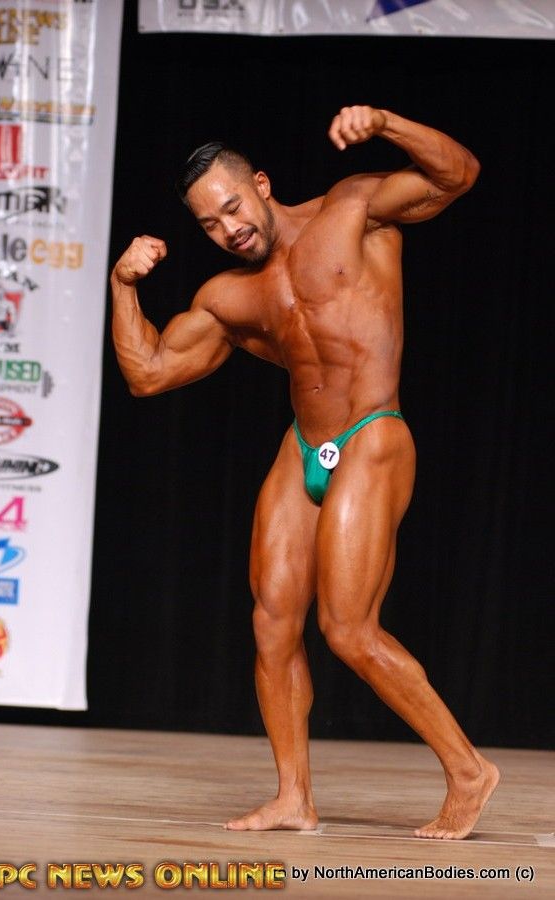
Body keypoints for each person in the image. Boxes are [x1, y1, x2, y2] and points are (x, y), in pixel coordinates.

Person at [110, 105, 499, 840]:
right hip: (306, 447)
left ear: (260, 184)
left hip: (373, 432)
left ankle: (469, 769)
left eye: (233, 207)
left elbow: (459, 175)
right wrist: (123, 285)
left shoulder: (351, 210)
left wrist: (386, 123)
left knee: (348, 629)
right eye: (210, 224)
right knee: (272, 622)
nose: (229, 229)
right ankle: (294, 797)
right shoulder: (230, 296)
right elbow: (149, 373)